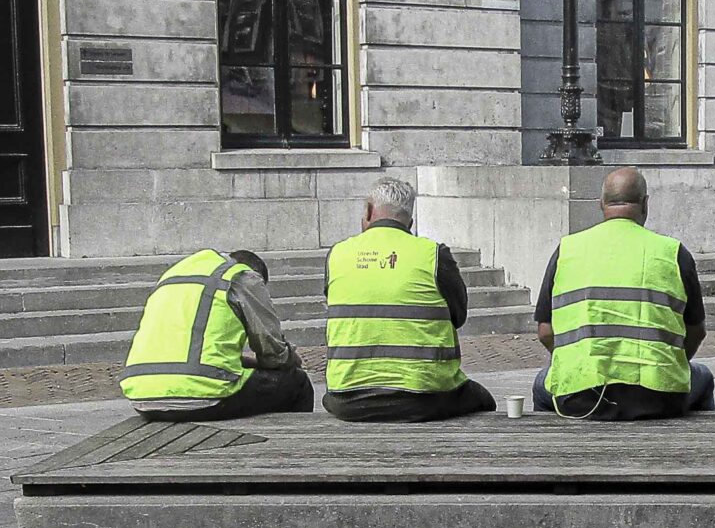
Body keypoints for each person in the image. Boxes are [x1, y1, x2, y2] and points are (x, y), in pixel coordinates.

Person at [532, 166, 715, 420]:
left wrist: (574, 362)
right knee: (703, 376)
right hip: (659, 398)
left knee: (542, 385)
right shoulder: (673, 252)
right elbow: (697, 331)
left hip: (581, 399)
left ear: (601, 204)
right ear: (645, 204)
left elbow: (545, 332)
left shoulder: (567, 250)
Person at [322, 177, 496, 422]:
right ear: (410, 222)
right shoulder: (434, 255)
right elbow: (458, 316)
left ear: (369, 211)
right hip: (424, 397)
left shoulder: (336, 254)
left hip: (348, 399)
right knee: (484, 400)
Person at [121, 249, 313, 420]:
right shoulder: (243, 277)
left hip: (142, 396)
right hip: (203, 394)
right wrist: (289, 358)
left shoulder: (177, 275)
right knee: (297, 383)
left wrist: (248, 362)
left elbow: (196, 353)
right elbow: (273, 355)